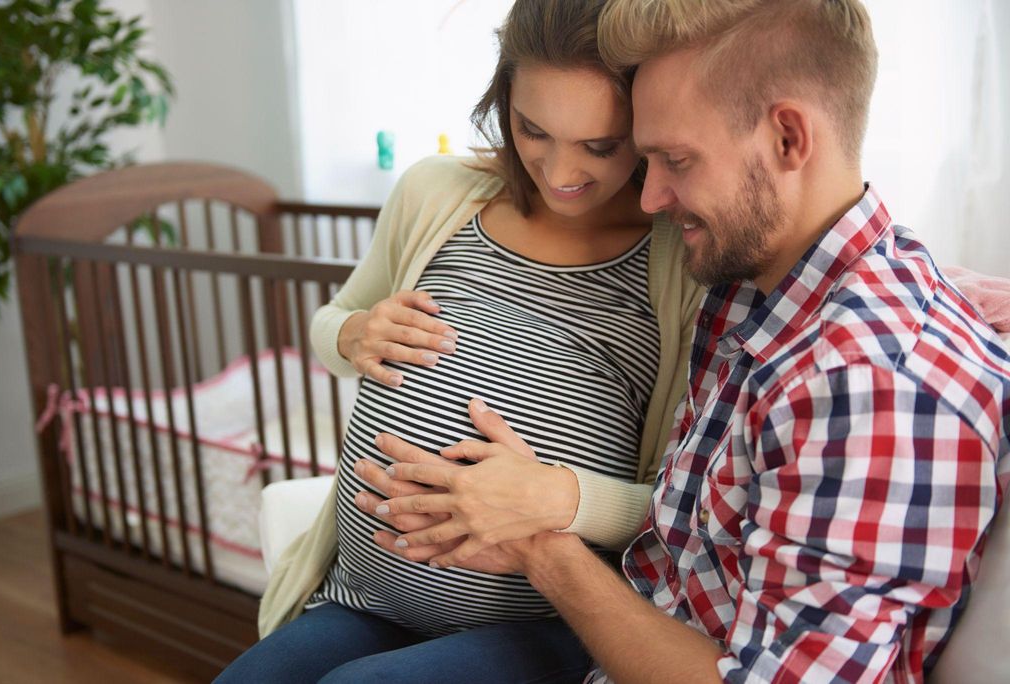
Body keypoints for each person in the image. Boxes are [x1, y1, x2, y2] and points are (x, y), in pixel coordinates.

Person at [368, 1, 1010, 682]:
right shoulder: (754, 284)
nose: (650, 200)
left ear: (789, 139)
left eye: (675, 159)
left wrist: (544, 551)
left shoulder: (872, 389)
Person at [215, 1, 702, 682]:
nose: (561, 171)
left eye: (600, 146)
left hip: (546, 623)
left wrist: (558, 498)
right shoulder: (435, 193)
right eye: (534, 130)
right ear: (504, 101)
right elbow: (332, 322)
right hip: (363, 599)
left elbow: (687, 500)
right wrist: (356, 332)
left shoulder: (682, 260)